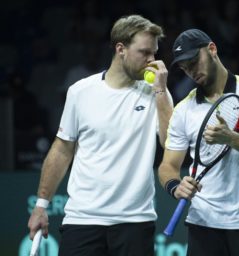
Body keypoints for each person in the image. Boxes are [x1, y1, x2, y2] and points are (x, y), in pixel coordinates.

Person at [28, 14, 173, 256]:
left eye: (154, 53)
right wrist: (41, 206)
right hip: (82, 220)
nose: (152, 60)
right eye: (145, 52)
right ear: (121, 49)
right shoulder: (80, 92)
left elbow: (169, 143)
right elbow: (62, 150)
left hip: (135, 222)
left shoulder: (156, 93)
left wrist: (160, 90)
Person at [158, 29, 239, 256]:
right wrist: (175, 187)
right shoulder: (183, 109)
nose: (191, 70)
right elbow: (168, 166)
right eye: (185, 67)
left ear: (212, 49)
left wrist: (232, 139)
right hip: (203, 225)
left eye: (194, 61)